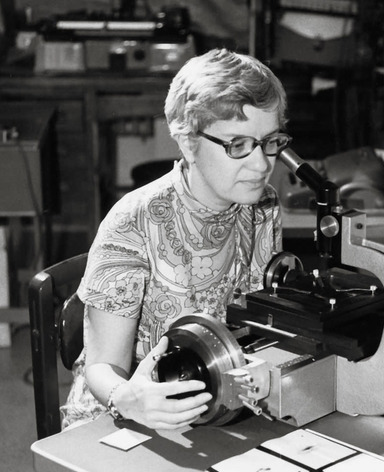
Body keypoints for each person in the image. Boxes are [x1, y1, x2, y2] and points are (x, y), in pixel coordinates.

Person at [60, 48, 290, 431]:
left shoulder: (262, 207)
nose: (262, 163)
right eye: (237, 145)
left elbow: (259, 321)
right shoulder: (133, 223)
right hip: (125, 414)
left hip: (212, 403)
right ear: (187, 142)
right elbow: (102, 367)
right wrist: (130, 399)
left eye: (270, 141)